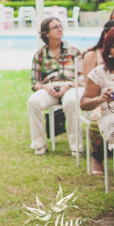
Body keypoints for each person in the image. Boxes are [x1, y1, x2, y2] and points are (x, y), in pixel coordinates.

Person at [27, 17, 82, 155]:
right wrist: (46, 87)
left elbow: (83, 78)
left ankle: (76, 147)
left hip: (70, 86)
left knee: (71, 101)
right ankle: (39, 145)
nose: (60, 29)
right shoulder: (40, 55)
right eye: (55, 27)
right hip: (49, 88)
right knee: (33, 101)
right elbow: (34, 83)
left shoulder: (74, 51)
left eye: (60, 26)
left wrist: (68, 85)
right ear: (46, 33)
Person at [79, 20, 114, 174]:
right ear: (108, 49)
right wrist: (99, 99)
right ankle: (98, 158)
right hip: (109, 116)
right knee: (95, 117)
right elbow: (84, 103)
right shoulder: (100, 72)